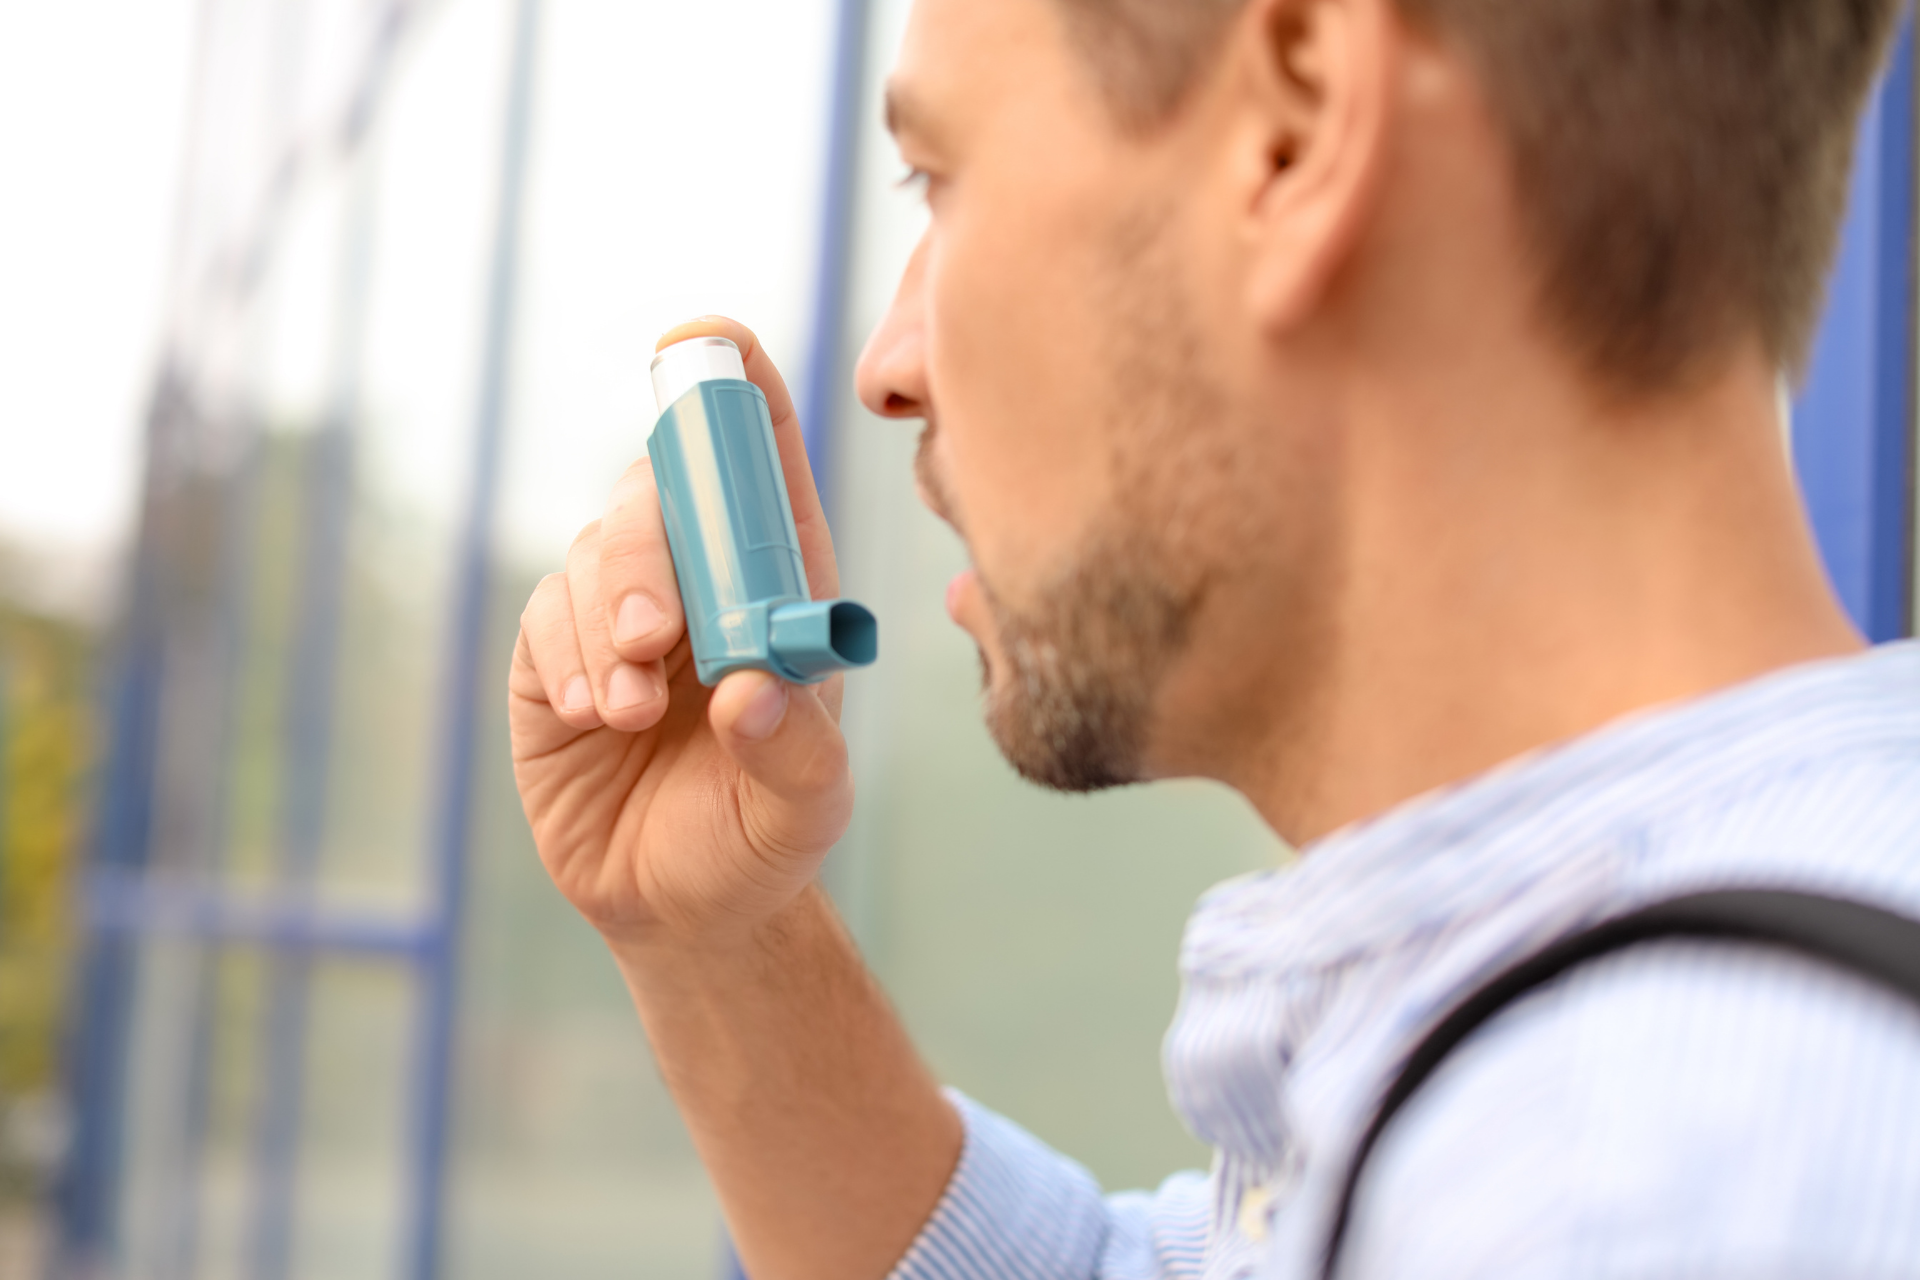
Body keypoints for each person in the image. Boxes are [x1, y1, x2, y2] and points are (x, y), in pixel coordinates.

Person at [507, 0, 1920, 1275]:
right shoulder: (1620, 1048)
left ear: (1298, 127)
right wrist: (717, 939)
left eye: (942, 178)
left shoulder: (1626, 1191)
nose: (889, 368)